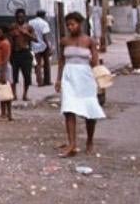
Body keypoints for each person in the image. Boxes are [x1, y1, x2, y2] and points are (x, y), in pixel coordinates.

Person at [56, 12, 105, 157]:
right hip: (69, 76)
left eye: (73, 24)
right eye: (68, 25)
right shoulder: (64, 41)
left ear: (80, 24)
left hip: (86, 76)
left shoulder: (89, 41)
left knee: (89, 111)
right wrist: (58, 79)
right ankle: (72, 144)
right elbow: (61, 61)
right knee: (68, 109)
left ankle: (89, 140)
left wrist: (99, 78)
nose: (70, 27)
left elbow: (95, 62)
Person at [9, 8, 35, 103]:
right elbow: (9, 39)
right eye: (18, 17)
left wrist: (26, 34)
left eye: (22, 16)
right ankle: (14, 94)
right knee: (14, 75)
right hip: (15, 53)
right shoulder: (13, 26)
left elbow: (35, 39)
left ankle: (25, 94)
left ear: (24, 17)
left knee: (27, 75)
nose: (20, 18)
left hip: (25, 52)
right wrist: (13, 35)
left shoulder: (29, 27)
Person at [0, 25, 14, 123]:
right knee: (4, 92)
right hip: (0, 68)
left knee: (4, 92)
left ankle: (5, 113)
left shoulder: (5, 44)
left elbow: (5, 59)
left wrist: (3, 73)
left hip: (2, 69)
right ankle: (7, 114)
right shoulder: (1, 43)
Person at [29, 8, 53, 87]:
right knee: (46, 63)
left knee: (37, 64)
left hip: (34, 45)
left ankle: (39, 81)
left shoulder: (30, 22)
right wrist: (49, 47)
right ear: (44, 15)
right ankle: (47, 80)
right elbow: (45, 36)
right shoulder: (44, 23)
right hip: (43, 45)